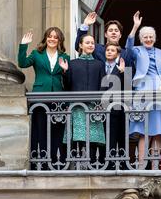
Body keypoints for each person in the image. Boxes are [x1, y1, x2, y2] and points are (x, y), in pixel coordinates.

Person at [126, 11, 161, 169]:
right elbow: (127, 50)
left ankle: (155, 168)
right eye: (145, 37)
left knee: (158, 129)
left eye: (151, 36)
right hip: (143, 91)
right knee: (143, 131)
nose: (148, 39)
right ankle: (141, 167)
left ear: (154, 38)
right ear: (141, 39)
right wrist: (135, 27)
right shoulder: (137, 50)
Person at [18, 27, 70, 169]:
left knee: (57, 131)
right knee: (40, 129)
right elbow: (22, 63)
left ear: (59, 40)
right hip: (40, 96)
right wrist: (23, 45)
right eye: (50, 36)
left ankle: (57, 162)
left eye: (55, 37)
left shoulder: (65, 57)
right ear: (45, 38)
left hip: (58, 98)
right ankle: (39, 162)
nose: (52, 39)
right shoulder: (37, 54)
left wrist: (65, 71)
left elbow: (68, 80)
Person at [59, 34, 106, 166]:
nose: (90, 45)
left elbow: (103, 85)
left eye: (92, 43)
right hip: (77, 106)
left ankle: (92, 165)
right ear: (80, 45)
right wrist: (65, 72)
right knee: (77, 138)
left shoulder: (99, 64)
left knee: (92, 138)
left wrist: (100, 103)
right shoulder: (72, 64)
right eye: (87, 43)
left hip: (93, 106)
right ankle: (76, 165)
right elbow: (67, 86)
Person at [102, 42, 126, 165]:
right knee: (105, 137)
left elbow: (126, 88)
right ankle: (105, 164)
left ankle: (120, 163)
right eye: (108, 50)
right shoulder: (100, 66)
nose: (110, 52)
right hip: (102, 107)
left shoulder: (121, 68)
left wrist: (122, 73)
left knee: (118, 136)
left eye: (113, 50)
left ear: (117, 53)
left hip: (117, 108)